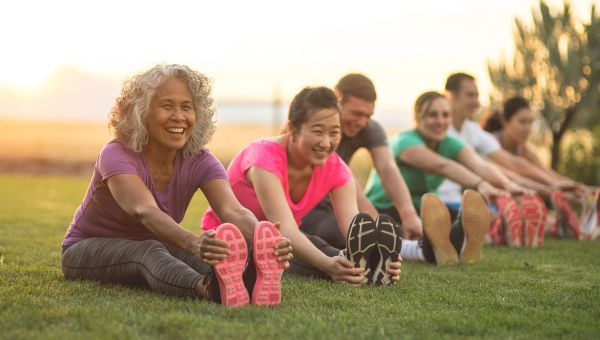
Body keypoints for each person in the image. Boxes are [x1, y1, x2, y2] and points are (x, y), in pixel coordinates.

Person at [60, 64, 292, 308]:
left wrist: (263, 239)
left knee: (216, 254)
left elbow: (232, 210)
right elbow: (144, 211)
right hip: (85, 248)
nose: (179, 116)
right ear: (142, 112)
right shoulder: (117, 153)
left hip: (157, 241)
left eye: (187, 107)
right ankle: (208, 289)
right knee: (149, 250)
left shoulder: (200, 160)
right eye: (167, 106)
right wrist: (193, 242)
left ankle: (246, 281)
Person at [202, 86, 402, 284]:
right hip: (228, 240)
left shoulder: (337, 169)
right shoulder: (263, 158)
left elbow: (354, 229)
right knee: (304, 253)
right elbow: (285, 229)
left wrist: (375, 252)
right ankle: (355, 269)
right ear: (292, 129)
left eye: (334, 132)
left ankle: (371, 268)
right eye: (318, 131)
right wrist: (327, 264)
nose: (326, 142)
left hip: (283, 243)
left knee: (322, 250)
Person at [365, 91, 501, 265]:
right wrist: (480, 183)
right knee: (394, 231)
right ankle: (438, 246)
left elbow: (480, 165)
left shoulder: (449, 142)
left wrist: (509, 187)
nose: (440, 121)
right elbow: (442, 165)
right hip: (388, 208)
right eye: (432, 115)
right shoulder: (405, 142)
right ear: (417, 116)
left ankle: (458, 241)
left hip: (425, 209)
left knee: (456, 218)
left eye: (445, 115)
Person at [300, 74, 422, 253]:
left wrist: (408, 214)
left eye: (368, 115)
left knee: (398, 228)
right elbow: (349, 182)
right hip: (307, 209)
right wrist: (377, 229)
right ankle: (410, 250)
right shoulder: (317, 129)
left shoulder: (368, 128)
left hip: (340, 205)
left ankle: (427, 246)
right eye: (357, 113)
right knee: (339, 232)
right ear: (337, 100)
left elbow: (388, 168)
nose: (362, 122)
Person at [439, 72, 548, 248]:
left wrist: (551, 186)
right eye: (470, 95)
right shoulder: (441, 132)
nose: (476, 102)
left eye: (477, 96)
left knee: (506, 213)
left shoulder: (472, 130)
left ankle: (496, 228)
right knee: (492, 217)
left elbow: (510, 164)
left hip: (463, 198)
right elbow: (485, 167)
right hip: (443, 201)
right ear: (450, 96)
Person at [482, 95, 596, 239]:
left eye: (530, 122)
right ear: (505, 121)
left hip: (513, 200)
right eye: (522, 122)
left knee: (551, 222)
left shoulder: (524, 149)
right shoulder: (489, 144)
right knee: (544, 223)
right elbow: (505, 179)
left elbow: (548, 174)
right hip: (489, 201)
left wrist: (582, 188)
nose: (527, 128)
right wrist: (552, 190)